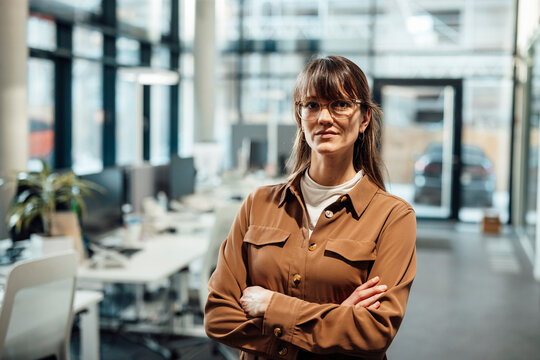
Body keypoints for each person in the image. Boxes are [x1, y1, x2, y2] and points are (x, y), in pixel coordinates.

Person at [205, 56, 417, 360]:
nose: (324, 118)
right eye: (312, 105)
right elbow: (218, 317)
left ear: (365, 118)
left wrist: (270, 306)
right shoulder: (258, 205)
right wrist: (335, 319)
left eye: (340, 104)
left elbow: (374, 332)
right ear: (299, 116)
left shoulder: (393, 218)